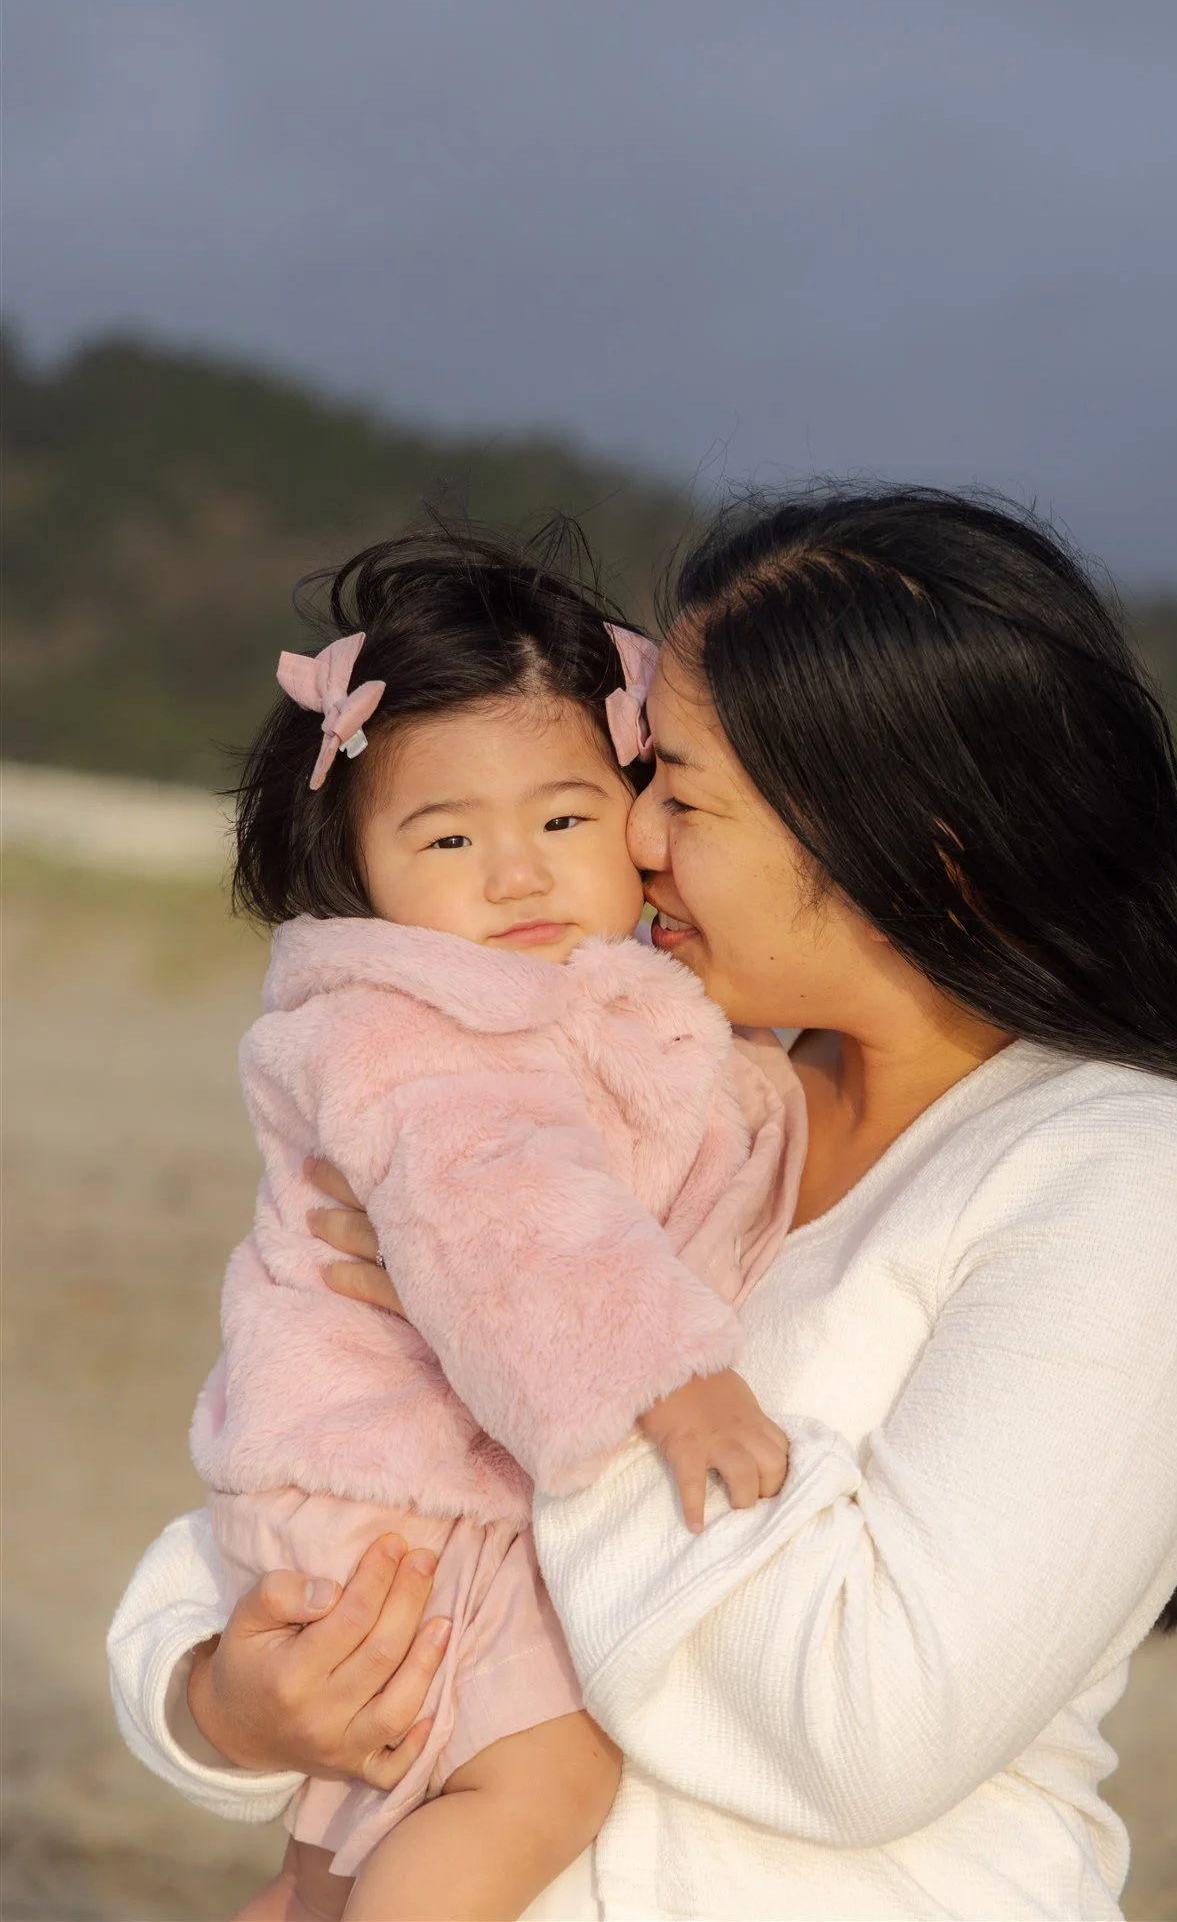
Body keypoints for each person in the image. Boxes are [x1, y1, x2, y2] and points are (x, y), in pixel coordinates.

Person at [110, 489, 1177, 1921]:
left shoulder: (1130, 1180)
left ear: (910, 838)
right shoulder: (686, 1089)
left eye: (682, 794)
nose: (632, 839)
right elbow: (311, 1461)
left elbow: (863, 1729)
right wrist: (219, 1702)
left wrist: (535, 1349)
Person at [170, 526, 804, 1921]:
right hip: (407, 1496)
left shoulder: (568, 997)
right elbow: (517, 1221)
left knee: (339, 1846)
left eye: (562, 821)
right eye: (448, 837)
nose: (516, 873)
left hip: (365, 1487)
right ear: (354, 862)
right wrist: (674, 1382)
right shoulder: (416, 1037)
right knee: (536, 1779)